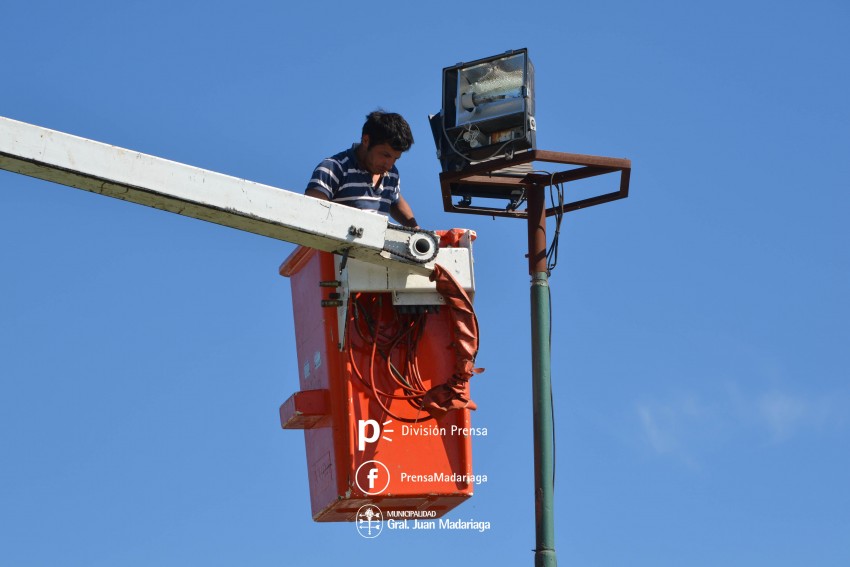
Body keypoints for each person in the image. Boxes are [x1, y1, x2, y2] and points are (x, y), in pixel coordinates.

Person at [305, 111, 420, 229]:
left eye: (395, 158)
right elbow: (312, 214)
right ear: (366, 140)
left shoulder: (392, 174)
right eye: (385, 155)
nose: (389, 165)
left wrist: (416, 230)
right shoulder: (333, 168)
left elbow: (395, 201)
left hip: (374, 246)